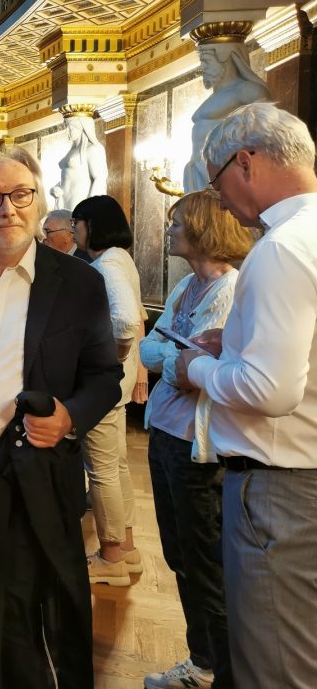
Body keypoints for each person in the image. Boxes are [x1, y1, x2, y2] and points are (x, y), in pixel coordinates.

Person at [0, 147, 122, 689]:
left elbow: (105, 376)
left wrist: (69, 416)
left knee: (17, 629)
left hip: (27, 484)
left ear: (38, 203)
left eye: (19, 195)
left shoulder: (78, 283)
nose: (6, 208)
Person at [175, 102, 317, 688]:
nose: (221, 201)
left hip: (279, 485)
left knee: (275, 665)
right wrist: (233, 346)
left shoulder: (282, 247)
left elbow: (271, 390)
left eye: (216, 182)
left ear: (246, 163)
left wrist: (197, 368)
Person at [140, 190, 253, 689]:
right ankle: (201, 660)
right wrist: (177, 360)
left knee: (205, 563)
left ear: (203, 229)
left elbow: (197, 370)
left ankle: (222, 669)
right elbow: (150, 350)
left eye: (177, 222)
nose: (169, 230)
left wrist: (177, 362)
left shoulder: (230, 290)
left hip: (197, 446)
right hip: (165, 433)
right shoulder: (187, 285)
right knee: (179, 556)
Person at [71, 194, 147, 585]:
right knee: (115, 466)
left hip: (106, 384)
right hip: (118, 382)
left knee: (100, 471)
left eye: (77, 224)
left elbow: (127, 321)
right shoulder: (120, 259)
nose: (74, 232)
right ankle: (126, 548)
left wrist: (112, 358)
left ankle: (111, 556)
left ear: (92, 226)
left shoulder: (108, 264)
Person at [183, 41, 270, 193]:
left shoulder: (247, 90)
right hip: (198, 171)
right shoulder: (216, 96)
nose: (202, 67)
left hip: (221, 172)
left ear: (225, 57)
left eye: (206, 60)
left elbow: (266, 134)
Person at [52, 114, 108, 209]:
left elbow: (100, 178)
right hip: (63, 203)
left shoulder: (93, 149)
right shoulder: (70, 151)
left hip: (79, 202)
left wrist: (90, 207)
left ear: (82, 127)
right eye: (66, 127)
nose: (67, 131)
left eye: (70, 128)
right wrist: (56, 188)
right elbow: (68, 177)